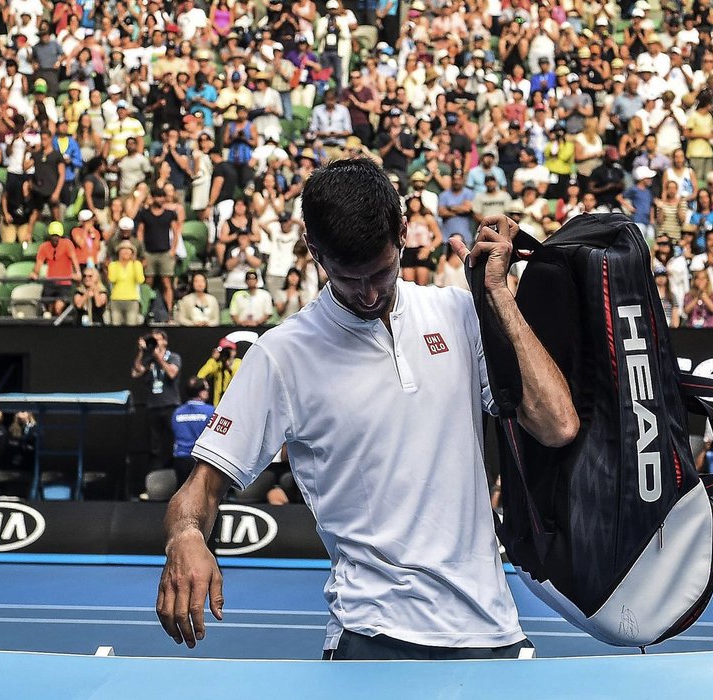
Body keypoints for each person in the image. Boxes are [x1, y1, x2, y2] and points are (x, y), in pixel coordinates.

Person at [156, 158, 577, 660]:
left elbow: (558, 424)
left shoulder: (458, 313)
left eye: (381, 271)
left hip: (493, 631)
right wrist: (185, 537)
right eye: (348, 278)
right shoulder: (281, 355)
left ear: (403, 234)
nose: (369, 293)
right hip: (372, 635)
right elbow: (198, 489)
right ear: (314, 252)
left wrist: (496, 297)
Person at [132, 330, 182, 475]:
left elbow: (172, 373)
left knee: (173, 442)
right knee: (155, 446)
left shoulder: (173, 357)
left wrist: (158, 358)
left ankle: (176, 476)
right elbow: (136, 372)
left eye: (157, 340)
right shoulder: (149, 360)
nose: (154, 343)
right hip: (153, 406)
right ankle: (156, 478)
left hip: (170, 405)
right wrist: (141, 352)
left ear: (165, 341)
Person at [135, 186, 180, 319]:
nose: (160, 199)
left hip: (165, 252)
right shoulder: (145, 214)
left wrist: (173, 249)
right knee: (148, 281)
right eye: (157, 196)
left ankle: (169, 312)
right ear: (152, 198)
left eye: (162, 197)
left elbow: (175, 232)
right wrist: (141, 251)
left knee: (167, 282)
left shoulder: (169, 214)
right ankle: (145, 310)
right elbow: (140, 232)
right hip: (149, 252)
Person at [171, 378, 216, 487]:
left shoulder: (177, 412)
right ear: (201, 392)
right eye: (206, 389)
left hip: (181, 460)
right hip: (202, 460)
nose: (208, 392)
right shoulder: (211, 411)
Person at [30, 221, 80, 317]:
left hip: (64, 283)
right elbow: (38, 264)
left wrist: (78, 273)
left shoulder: (67, 244)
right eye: (53, 235)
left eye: (57, 235)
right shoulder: (44, 247)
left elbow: (74, 259)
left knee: (58, 308)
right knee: (48, 311)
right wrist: (35, 273)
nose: (55, 238)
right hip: (50, 282)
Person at [107, 239, 145, 326]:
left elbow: (140, 280)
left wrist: (134, 262)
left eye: (128, 249)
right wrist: (120, 262)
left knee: (131, 325)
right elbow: (112, 279)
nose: (126, 251)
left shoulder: (137, 264)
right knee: (115, 325)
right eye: (123, 249)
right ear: (119, 251)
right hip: (116, 299)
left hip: (132, 300)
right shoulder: (113, 265)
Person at [196, 338, 242, 406]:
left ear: (235, 351)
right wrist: (213, 360)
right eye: (225, 351)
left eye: (229, 350)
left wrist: (229, 367)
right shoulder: (217, 364)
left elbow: (239, 380)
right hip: (218, 404)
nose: (227, 353)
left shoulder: (238, 362)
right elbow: (200, 375)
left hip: (234, 403)